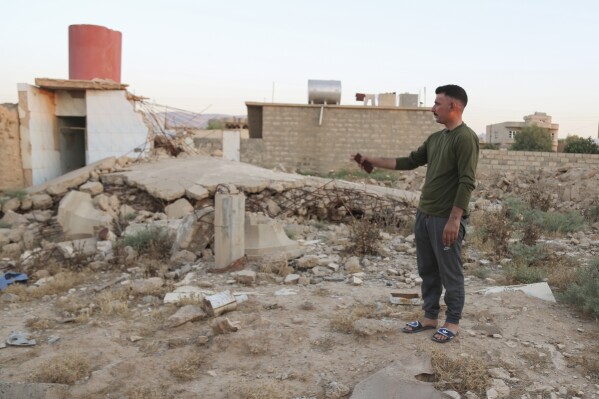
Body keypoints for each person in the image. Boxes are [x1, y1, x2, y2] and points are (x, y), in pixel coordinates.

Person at [352, 84, 479, 343]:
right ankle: (430, 317)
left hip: (446, 218)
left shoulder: (465, 138)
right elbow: (409, 161)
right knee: (428, 270)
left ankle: (452, 323)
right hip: (425, 215)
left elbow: (467, 182)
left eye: (437, 103)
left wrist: (455, 220)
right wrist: (372, 160)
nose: (432, 108)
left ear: (453, 106)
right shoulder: (436, 139)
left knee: (450, 273)